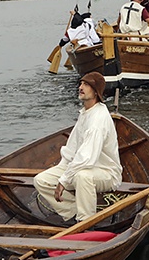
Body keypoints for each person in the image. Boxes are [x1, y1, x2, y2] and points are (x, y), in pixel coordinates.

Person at [33, 72, 122, 224]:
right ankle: (73, 211)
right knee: (41, 180)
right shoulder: (85, 113)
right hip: (83, 166)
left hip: (106, 172)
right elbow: (72, 150)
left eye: (86, 85)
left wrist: (63, 181)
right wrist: (62, 171)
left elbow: (87, 158)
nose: (80, 87)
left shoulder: (97, 120)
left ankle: (86, 221)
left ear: (95, 92)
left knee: (83, 176)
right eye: (81, 84)